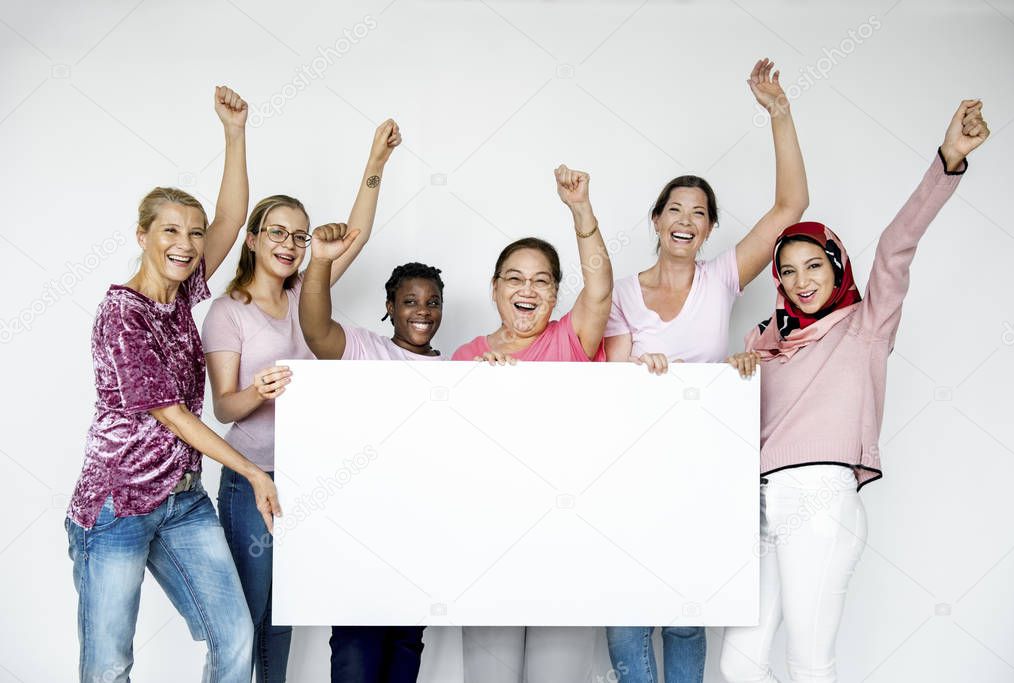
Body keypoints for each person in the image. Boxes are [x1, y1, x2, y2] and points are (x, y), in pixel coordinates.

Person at [719, 100, 989, 683]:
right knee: (739, 663)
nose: (801, 281)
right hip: (761, 504)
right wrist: (739, 372)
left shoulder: (866, 326)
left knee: (809, 662)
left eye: (813, 266)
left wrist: (947, 162)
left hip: (821, 498)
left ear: (837, 266)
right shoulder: (763, 340)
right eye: (787, 271)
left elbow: (897, 248)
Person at [65, 86, 282, 683]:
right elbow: (174, 415)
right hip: (118, 505)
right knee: (110, 664)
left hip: (183, 500)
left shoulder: (184, 291)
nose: (186, 245)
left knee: (236, 639)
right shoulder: (122, 314)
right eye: (170, 232)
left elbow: (234, 218)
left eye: (193, 233)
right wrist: (253, 470)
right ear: (142, 236)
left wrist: (235, 133)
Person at [602, 58, 808, 683]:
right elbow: (612, 380)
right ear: (657, 220)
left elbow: (792, 204)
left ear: (710, 228)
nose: (686, 221)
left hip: (705, 462)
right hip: (636, 465)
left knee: (687, 613)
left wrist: (778, 112)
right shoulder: (621, 293)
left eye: (699, 213)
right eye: (676, 210)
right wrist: (642, 367)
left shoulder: (721, 277)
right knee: (628, 614)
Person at [201, 119, 402, 682]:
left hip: (307, 478)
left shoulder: (303, 297)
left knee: (283, 617)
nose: (290, 245)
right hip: (252, 479)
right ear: (253, 238)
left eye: (299, 236)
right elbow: (223, 409)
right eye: (277, 233)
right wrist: (257, 390)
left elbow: (352, 237)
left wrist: (375, 164)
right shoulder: (228, 311)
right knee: (246, 619)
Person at [454, 165, 613, 683]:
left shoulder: (572, 340)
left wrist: (580, 210)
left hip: (565, 548)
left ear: (556, 294)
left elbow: (602, 285)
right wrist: (476, 391)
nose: (528, 290)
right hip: (488, 546)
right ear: (496, 289)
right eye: (515, 279)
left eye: (542, 281)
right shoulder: (465, 357)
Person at [299, 194, 445, 681]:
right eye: (409, 301)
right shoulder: (365, 348)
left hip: (418, 540)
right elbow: (316, 328)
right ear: (390, 307)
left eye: (431, 302)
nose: (421, 311)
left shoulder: (453, 372)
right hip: (361, 537)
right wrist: (320, 261)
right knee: (357, 657)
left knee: (404, 653)